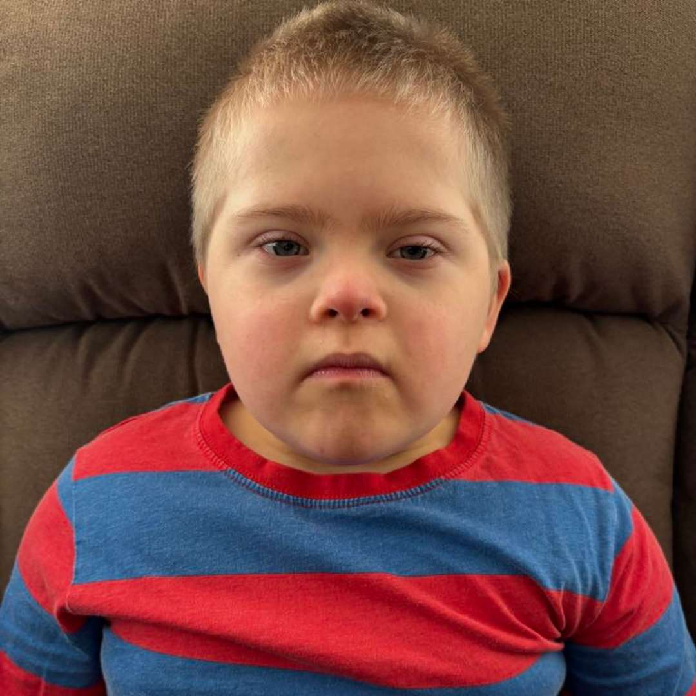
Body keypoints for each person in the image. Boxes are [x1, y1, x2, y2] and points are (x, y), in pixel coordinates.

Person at [1, 0, 695, 693]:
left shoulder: (579, 513)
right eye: (283, 245)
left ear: (489, 303)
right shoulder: (94, 505)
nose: (347, 293)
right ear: (211, 289)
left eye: (414, 249)